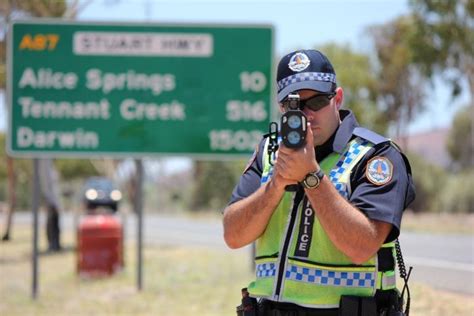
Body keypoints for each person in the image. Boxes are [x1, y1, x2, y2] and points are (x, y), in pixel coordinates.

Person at [223, 49, 416, 316]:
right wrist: (276, 183)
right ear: (281, 107)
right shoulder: (270, 152)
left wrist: (311, 177)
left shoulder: (375, 155)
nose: (306, 115)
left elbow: (362, 246)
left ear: (337, 98)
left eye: (316, 102)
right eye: (294, 106)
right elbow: (233, 235)